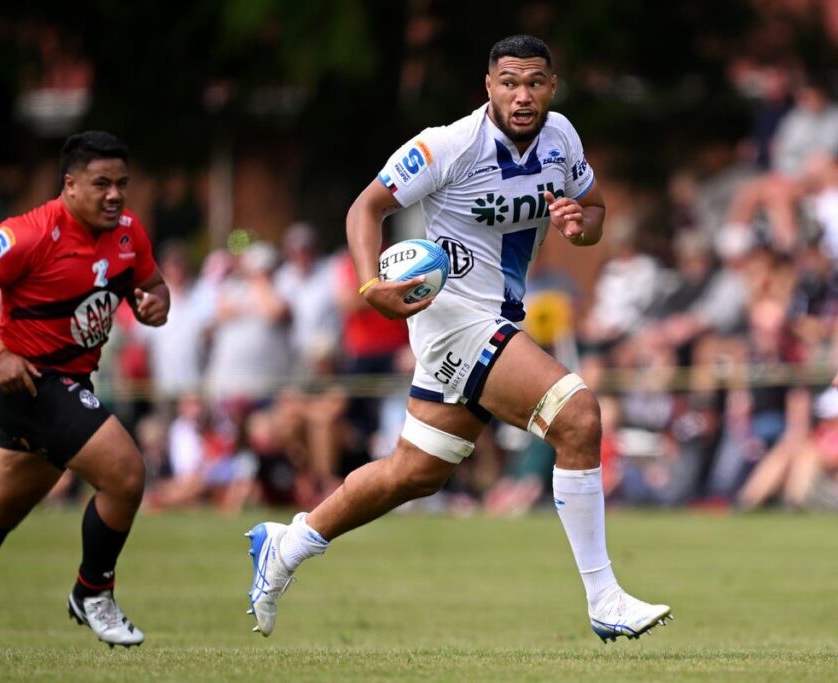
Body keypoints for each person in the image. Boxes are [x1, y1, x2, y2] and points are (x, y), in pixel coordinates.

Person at [245, 35, 672, 643]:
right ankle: (604, 597)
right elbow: (366, 209)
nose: (522, 95)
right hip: (452, 316)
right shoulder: (449, 145)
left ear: (552, 86)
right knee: (577, 416)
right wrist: (371, 285)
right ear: (488, 85)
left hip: (502, 318)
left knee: (413, 473)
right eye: (509, 82)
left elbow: (593, 209)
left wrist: (579, 227)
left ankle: (286, 545)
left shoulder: (563, 140)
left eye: (534, 83)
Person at [0, 131, 170, 650]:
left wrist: (158, 303)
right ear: (69, 185)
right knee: (127, 473)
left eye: (122, 184)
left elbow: (154, 289)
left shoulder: (129, 232)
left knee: (0, 508)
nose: (115, 195)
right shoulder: (29, 233)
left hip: (70, 383)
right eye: (101, 184)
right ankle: (93, 592)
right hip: (28, 384)